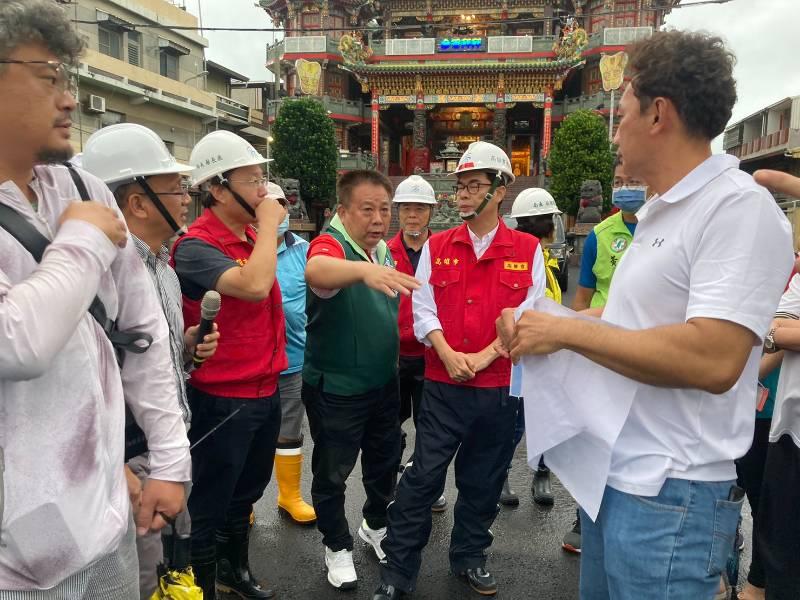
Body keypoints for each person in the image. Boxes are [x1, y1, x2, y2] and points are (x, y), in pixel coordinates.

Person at [497, 31, 794, 600]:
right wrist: (549, 328)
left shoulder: (736, 208)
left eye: (625, 109)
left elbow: (713, 357)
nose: (615, 130)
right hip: (618, 476)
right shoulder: (661, 211)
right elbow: (628, 316)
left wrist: (565, 331)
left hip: (672, 494)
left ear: (659, 113)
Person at [0, 1, 190, 596]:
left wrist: (168, 461)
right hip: (15, 562)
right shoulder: (88, 216)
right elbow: (16, 344)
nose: (69, 99)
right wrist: (81, 240)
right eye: (48, 78)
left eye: (69, 79)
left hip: (107, 523)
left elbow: (143, 333)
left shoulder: (82, 188)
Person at [374, 142, 546, 599]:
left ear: (500, 191)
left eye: (474, 186)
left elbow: (530, 314)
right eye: (460, 187)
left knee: (483, 481)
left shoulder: (527, 250)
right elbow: (424, 307)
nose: (463, 196)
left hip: (497, 390)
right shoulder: (438, 245)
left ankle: (469, 557)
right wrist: (447, 353)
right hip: (443, 387)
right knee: (421, 480)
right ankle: (397, 571)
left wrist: (488, 355)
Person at [82, 123, 220, 599]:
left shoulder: (163, 267)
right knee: (136, 581)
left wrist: (185, 349)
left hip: (163, 454)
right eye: (176, 188)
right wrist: (109, 462)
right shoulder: (98, 275)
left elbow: (148, 366)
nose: (187, 198)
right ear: (138, 202)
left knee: (166, 569)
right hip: (123, 463)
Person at [171, 130, 288, 600]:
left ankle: (233, 570)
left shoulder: (253, 237)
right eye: (253, 179)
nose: (264, 189)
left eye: (263, 179)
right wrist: (268, 222)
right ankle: (202, 585)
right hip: (223, 398)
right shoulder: (195, 246)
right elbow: (256, 286)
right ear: (217, 188)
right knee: (210, 502)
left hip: (265, 388)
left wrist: (263, 227)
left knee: (246, 494)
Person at [303, 170, 419, 590]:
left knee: (385, 461)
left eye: (384, 210)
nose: (378, 219)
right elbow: (317, 270)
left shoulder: (381, 249)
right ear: (343, 211)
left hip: (383, 384)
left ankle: (375, 523)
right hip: (337, 390)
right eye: (366, 209)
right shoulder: (332, 244)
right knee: (332, 474)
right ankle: (336, 544)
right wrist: (361, 272)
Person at [560, 155, 647, 553]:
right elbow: (581, 297)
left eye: (632, 179)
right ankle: (585, 515)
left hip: (650, 352)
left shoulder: (667, 229)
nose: (624, 186)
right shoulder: (601, 234)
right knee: (597, 436)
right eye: (619, 180)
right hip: (602, 350)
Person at [751, 167, 800, 600]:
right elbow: (780, 329)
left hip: (769, 410)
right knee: (775, 526)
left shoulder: (789, 263)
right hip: (786, 426)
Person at [385, 175, 446, 512]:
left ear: (430, 212)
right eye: (406, 207)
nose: (412, 214)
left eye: (420, 208)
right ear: (398, 212)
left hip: (429, 355)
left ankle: (428, 486)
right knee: (389, 424)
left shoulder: (444, 249)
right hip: (391, 356)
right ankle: (390, 482)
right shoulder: (383, 250)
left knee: (431, 426)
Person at [502, 187, 563, 507]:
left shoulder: (549, 259)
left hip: (550, 352)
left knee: (544, 419)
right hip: (524, 354)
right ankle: (505, 474)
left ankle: (541, 473)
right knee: (519, 421)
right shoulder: (516, 257)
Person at [270, 181, 316, 525]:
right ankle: (242, 503)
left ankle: (289, 495)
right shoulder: (239, 248)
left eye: (283, 204)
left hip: (294, 358)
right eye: (271, 204)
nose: (279, 211)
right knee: (249, 434)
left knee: (290, 428)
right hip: (252, 362)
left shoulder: (304, 250)